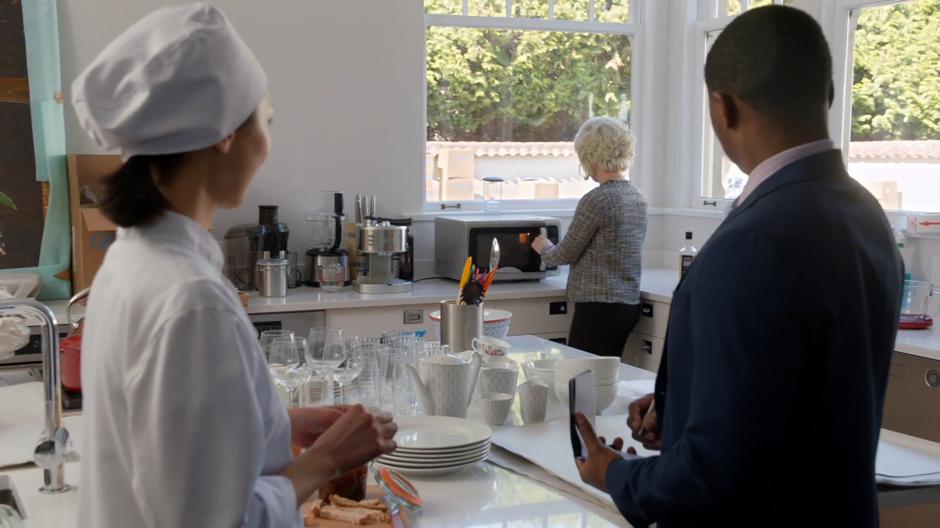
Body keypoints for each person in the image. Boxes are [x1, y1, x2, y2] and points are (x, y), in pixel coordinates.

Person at [572, 6, 903, 527]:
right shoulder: (866, 216)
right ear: (830, 93)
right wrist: (682, 411)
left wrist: (614, 474)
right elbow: (796, 391)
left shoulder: (751, 242)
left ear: (722, 108)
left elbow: (712, 473)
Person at [73, 5, 397, 527]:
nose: (265, 146)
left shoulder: (131, 260)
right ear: (225, 134)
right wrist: (327, 460)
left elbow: (160, 439)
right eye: (264, 124)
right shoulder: (193, 301)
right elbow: (216, 520)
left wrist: (275, 423)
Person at [531, 116, 647, 358]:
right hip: (628, 306)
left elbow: (565, 254)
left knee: (580, 379)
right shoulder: (638, 198)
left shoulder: (597, 199)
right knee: (605, 380)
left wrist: (545, 247)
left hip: (597, 308)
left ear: (589, 156)